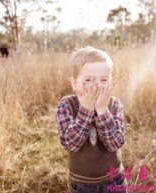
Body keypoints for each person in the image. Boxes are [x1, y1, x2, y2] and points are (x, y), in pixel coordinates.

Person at [55, 46, 128, 193]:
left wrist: (102, 110)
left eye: (103, 79)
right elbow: (71, 144)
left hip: (115, 181)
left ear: (110, 82)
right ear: (74, 83)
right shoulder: (66, 106)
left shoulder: (114, 105)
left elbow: (115, 144)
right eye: (88, 79)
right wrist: (86, 109)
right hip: (83, 185)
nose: (96, 85)